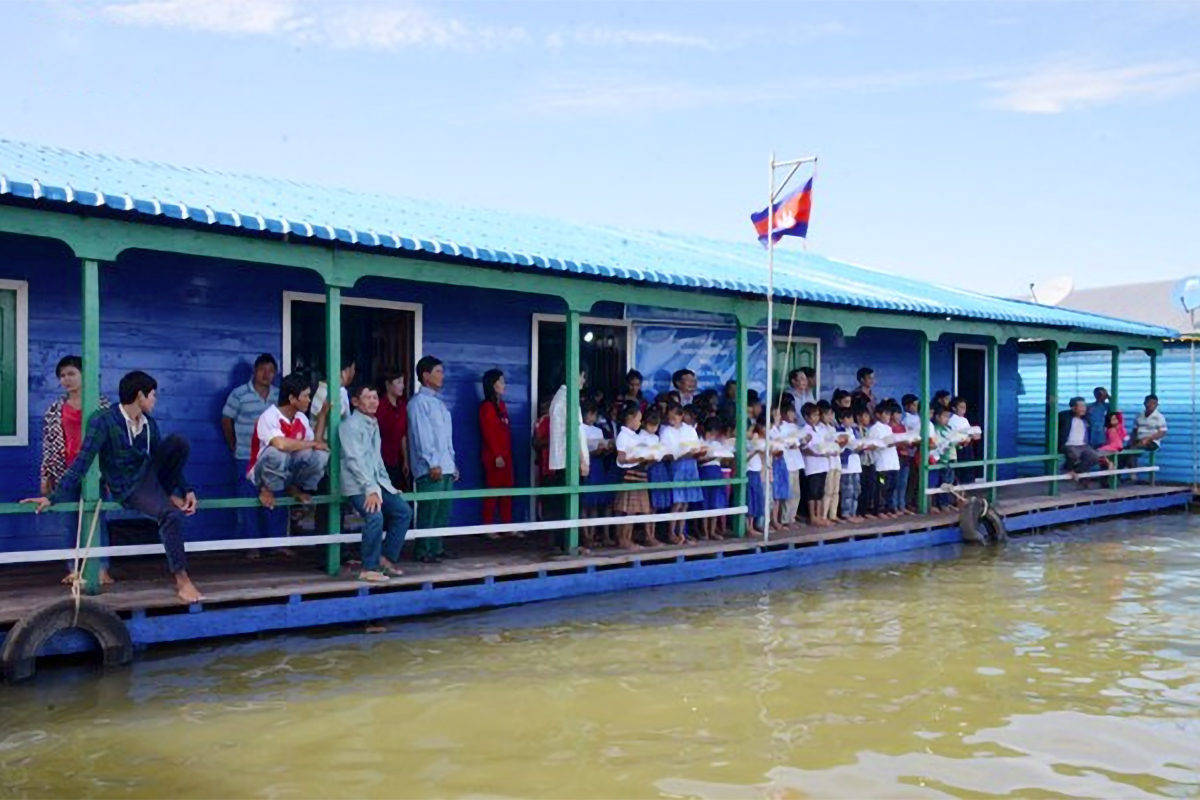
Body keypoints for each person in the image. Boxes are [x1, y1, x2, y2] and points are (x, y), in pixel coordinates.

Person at [23, 371, 203, 604]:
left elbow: (167, 461)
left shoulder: (150, 423)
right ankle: (183, 581)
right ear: (140, 395)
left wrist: (187, 490)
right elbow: (82, 461)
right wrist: (53, 497)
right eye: (152, 395)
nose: (155, 400)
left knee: (178, 442)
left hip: (151, 476)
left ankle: (168, 494)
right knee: (171, 515)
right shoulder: (104, 420)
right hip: (129, 487)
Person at [40, 355, 113, 585]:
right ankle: (74, 569)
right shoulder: (54, 409)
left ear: (84, 375)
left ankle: (102, 569)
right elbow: (49, 444)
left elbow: (112, 443)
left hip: (96, 472)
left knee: (96, 520)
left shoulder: (102, 406)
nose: (66, 379)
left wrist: (113, 473)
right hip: (66, 473)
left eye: (71, 373)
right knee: (71, 521)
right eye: (62, 375)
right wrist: (46, 476)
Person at [339, 384, 413, 583]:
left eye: (375, 397)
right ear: (355, 402)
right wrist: (370, 489)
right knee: (375, 516)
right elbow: (355, 461)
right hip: (357, 485)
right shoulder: (350, 426)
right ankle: (368, 567)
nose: (373, 401)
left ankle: (385, 559)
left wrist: (387, 486)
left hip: (376, 484)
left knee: (403, 511)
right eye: (367, 397)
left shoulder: (373, 423)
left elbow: (377, 460)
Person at [221, 353, 279, 557]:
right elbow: (226, 419)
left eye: (271, 371)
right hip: (246, 456)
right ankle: (252, 546)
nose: (267, 374)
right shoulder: (239, 394)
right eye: (263, 369)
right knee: (248, 502)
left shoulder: (278, 396)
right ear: (255, 371)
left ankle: (275, 545)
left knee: (274, 501)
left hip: (272, 459)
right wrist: (233, 445)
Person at [248, 372, 329, 511]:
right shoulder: (269, 416)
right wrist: (313, 444)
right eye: (305, 396)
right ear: (292, 398)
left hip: (286, 470)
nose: (309, 400)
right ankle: (266, 489)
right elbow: (281, 444)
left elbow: (315, 443)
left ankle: (297, 488)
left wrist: (322, 415)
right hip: (261, 474)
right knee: (277, 453)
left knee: (320, 455)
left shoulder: (300, 418)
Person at [408, 356, 458, 563]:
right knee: (428, 509)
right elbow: (422, 436)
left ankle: (437, 548)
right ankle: (423, 550)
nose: (442, 376)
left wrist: (452, 463)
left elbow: (446, 438)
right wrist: (431, 462)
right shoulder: (418, 403)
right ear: (426, 376)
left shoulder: (439, 403)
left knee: (442, 510)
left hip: (445, 466)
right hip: (431, 468)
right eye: (438, 371)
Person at [546, 368, 591, 524]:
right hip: (569, 461)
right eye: (582, 376)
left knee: (564, 505)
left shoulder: (562, 398)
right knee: (569, 506)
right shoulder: (566, 400)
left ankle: (563, 543)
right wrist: (582, 460)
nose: (583, 380)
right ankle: (569, 543)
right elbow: (573, 432)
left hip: (564, 460)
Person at [613, 403, 655, 551]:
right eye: (638, 419)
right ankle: (623, 539)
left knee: (635, 510)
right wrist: (639, 459)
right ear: (629, 418)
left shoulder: (635, 437)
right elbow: (622, 458)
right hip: (630, 473)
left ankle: (627, 538)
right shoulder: (623, 435)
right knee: (628, 510)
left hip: (640, 472)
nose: (639, 423)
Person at [661, 403, 704, 544]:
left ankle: (681, 532)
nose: (672, 418)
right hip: (677, 465)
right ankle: (671, 533)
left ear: (681, 416)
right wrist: (680, 454)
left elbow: (696, 445)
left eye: (675, 416)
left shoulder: (690, 430)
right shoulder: (666, 431)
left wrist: (696, 452)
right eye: (670, 416)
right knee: (677, 501)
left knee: (686, 502)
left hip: (690, 465)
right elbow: (667, 451)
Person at [478, 369, 514, 529]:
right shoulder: (486, 407)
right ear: (492, 385)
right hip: (494, 456)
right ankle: (488, 527)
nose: (504, 385)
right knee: (492, 492)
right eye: (500, 381)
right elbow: (489, 432)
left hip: (506, 455)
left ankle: (507, 526)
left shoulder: (502, 405)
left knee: (507, 492)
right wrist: (497, 455)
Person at [376, 371, 410, 491]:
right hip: (381, 458)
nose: (402, 386)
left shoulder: (402, 406)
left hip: (397, 459)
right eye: (398, 382)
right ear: (387, 384)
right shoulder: (379, 406)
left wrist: (405, 460)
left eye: (403, 382)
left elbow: (403, 435)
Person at [800, 402, 830, 527]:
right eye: (814, 415)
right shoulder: (804, 430)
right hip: (812, 464)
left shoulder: (821, 429)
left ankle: (819, 515)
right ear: (806, 417)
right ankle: (812, 516)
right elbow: (802, 447)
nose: (816, 418)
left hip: (823, 463)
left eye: (818, 415)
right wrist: (815, 453)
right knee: (812, 492)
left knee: (820, 492)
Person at [313, 357, 356, 442]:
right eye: (352, 369)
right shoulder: (322, 393)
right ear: (344, 371)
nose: (353, 373)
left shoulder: (342, 391)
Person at [870, 403, 901, 519]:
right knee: (882, 486)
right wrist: (886, 443)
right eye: (885, 414)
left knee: (892, 486)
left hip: (892, 462)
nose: (888, 417)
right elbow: (874, 444)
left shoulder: (889, 428)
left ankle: (889, 508)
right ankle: (879, 509)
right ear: (878, 415)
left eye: (889, 414)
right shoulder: (875, 429)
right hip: (882, 465)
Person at [1058, 397, 1101, 479]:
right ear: (1073, 408)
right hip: (1068, 444)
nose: (1083, 409)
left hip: (1083, 445)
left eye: (1084, 406)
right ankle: (1068, 468)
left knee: (1094, 457)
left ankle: (1075, 470)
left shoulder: (1086, 419)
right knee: (1073, 455)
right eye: (1081, 406)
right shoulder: (1064, 416)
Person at [836, 408, 864, 523]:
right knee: (847, 490)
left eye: (850, 417)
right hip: (846, 465)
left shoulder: (855, 431)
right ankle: (846, 512)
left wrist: (860, 447)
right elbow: (840, 448)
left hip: (856, 464)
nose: (850, 420)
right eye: (847, 418)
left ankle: (854, 511)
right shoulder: (839, 431)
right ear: (841, 420)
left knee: (856, 489)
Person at [1131, 394, 1168, 479]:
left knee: (1134, 449)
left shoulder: (1159, 417)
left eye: (1153, 403)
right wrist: (1132, 439)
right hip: (1139, 440)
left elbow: (1162, 432)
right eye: (1148, 403)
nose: (1150, 405)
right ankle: (1117, 476)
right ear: (1144, 403)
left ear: (1156, 405)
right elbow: (1134, 430)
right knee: (1124, 451)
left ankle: (1133, 471)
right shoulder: (1139, 415)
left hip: (1152, 442)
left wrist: (1149, 438)